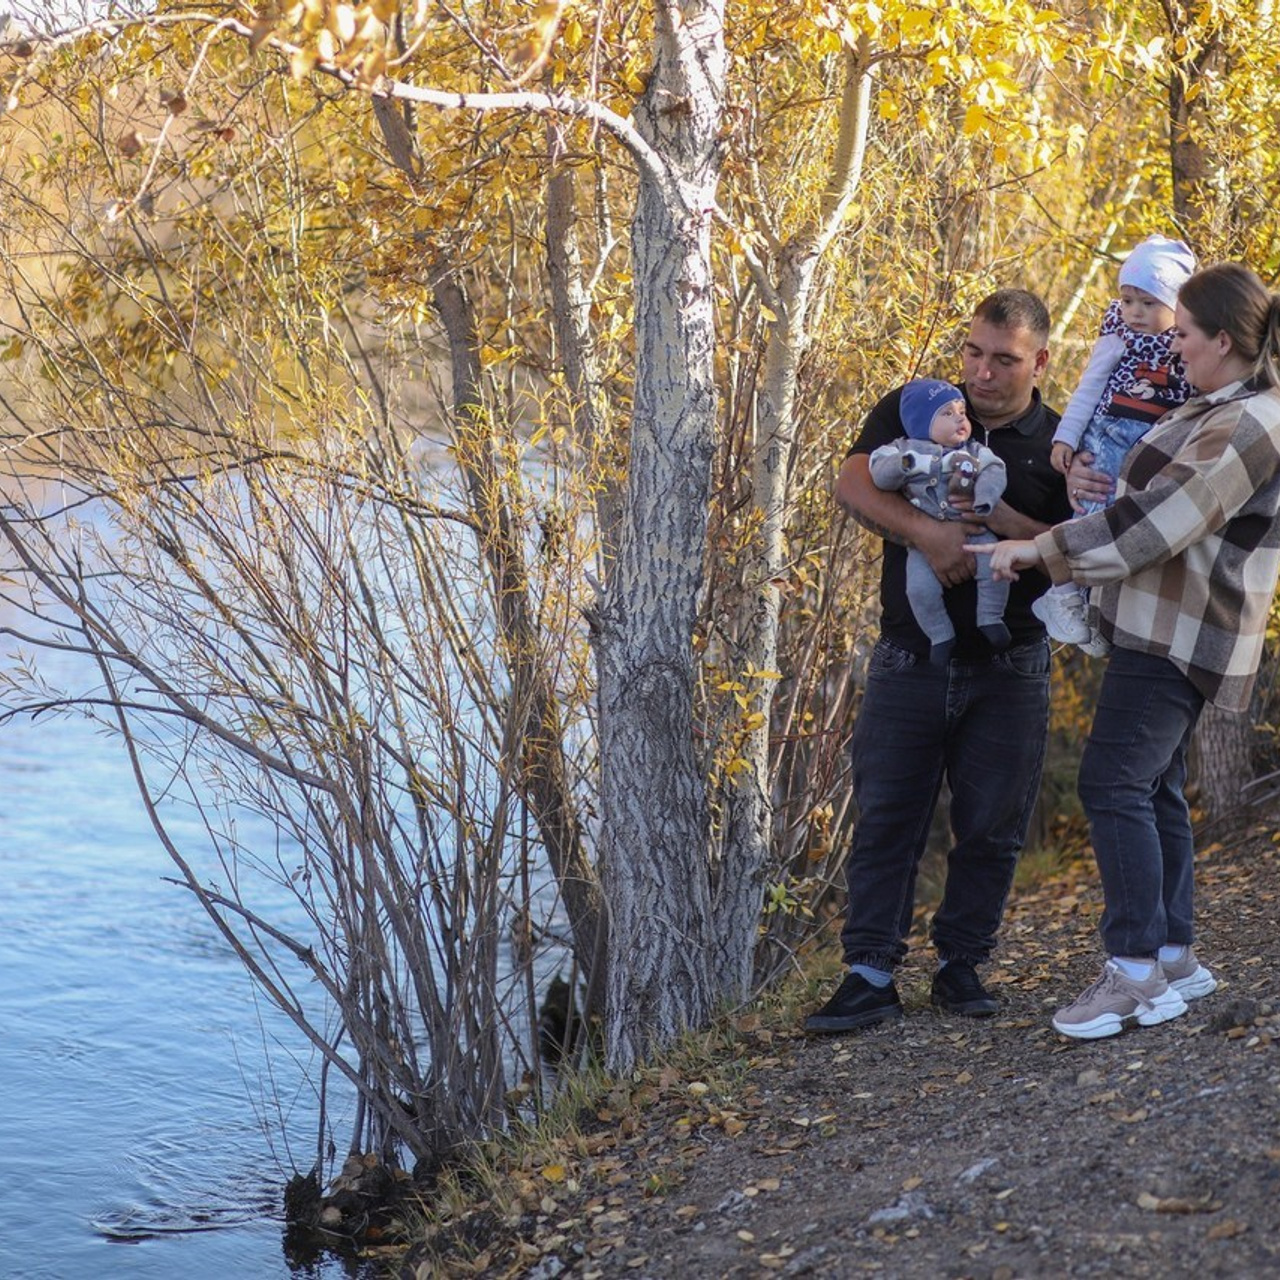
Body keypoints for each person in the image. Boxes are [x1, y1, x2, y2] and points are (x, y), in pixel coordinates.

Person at [971, 262, 1280, 1040]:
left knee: (1112, 782)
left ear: (1223, 339)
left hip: (1176, 630)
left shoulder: (1250, 424)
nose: (1172, 350)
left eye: (1181, 335)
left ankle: (1134, 973)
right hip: (1163, 622)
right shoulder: (1223, 406)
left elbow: (1153, 523)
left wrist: (1043, 549)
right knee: (1152, 788)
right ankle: (1173, 955)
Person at [806, 290, 1072, 1035]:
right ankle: (869, 976)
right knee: (887, 817)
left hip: (1010, 663)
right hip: (907, 655)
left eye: (1004, 360)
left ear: (1040, 362)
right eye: (974, 352)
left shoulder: (1058, 443)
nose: (982, 375)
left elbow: (1076, 551)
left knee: (991, 824)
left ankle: (961, 966)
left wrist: (1000, 525)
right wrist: (930, 535)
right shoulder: (917, 406)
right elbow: (853, 484)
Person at [1035, 235, 1197, 648]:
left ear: (1176, 304)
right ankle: (1064, 596)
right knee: (1095, 513)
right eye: (1127, 300)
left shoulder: (1187, 341)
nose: (1135, 312)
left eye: (1147, 302)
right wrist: (1065, 439)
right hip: (1110, 432)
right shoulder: (1119, 335)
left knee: (1126, 529)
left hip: (1155, 443)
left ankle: (1093, 608)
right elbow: (1089, 386)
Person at [868, 378, 1009, 666]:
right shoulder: (902, 449)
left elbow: (996, 469)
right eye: (947, 413)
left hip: (975, 528)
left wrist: (985, 498)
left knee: (996, 566)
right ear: (921, 423)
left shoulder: (973, 450)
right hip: (922, 545)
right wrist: (905, 464)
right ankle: (940, 635)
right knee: (919, 589)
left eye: (962, 411)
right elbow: (879, 473)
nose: (960, 417)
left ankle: (990, 618)